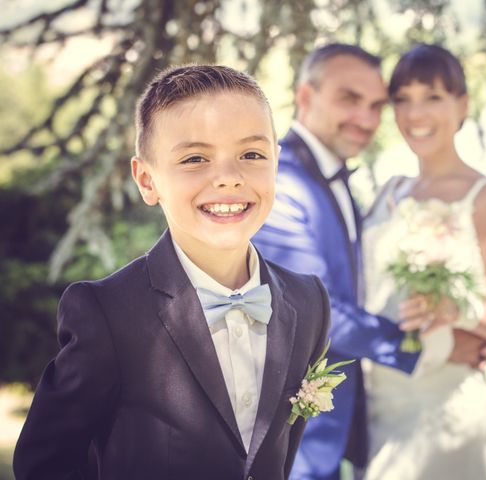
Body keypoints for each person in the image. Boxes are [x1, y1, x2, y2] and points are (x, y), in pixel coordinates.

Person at [13, 64, 331, 480]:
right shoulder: (107, 312)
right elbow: (45, 464)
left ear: (276, 163)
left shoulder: (309, 303)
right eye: (195, 158)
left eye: (251, 154)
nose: (229, 179)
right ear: (147, 180)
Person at [253, 43, 460, 480]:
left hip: (333, 431)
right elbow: (318, 313)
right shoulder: (279, 183)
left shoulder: (340, 179)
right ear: (306, 97)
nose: (366, 120)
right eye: (349, 99)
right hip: (287, 442)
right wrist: (426, 348)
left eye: (376, 106)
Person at [361, 43, 486, 480]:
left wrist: (461, 312)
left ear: (462, 104)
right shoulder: (388, 192)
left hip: (444, 403)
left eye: (433, 97)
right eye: (403, 99)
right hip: (378, 398)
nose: (415, 114)